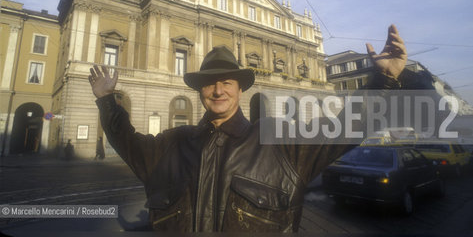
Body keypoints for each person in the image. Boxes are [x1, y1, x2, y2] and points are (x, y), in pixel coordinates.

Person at [89, 25, 408, 232]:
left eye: (227, 82)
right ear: (200, 91)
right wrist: (106, 100)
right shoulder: (171, 145)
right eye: (210, 84)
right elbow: (126, 141)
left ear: (240, 89)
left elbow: (344, 128)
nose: (218, 91)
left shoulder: (280, 143)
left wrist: (385, 81)